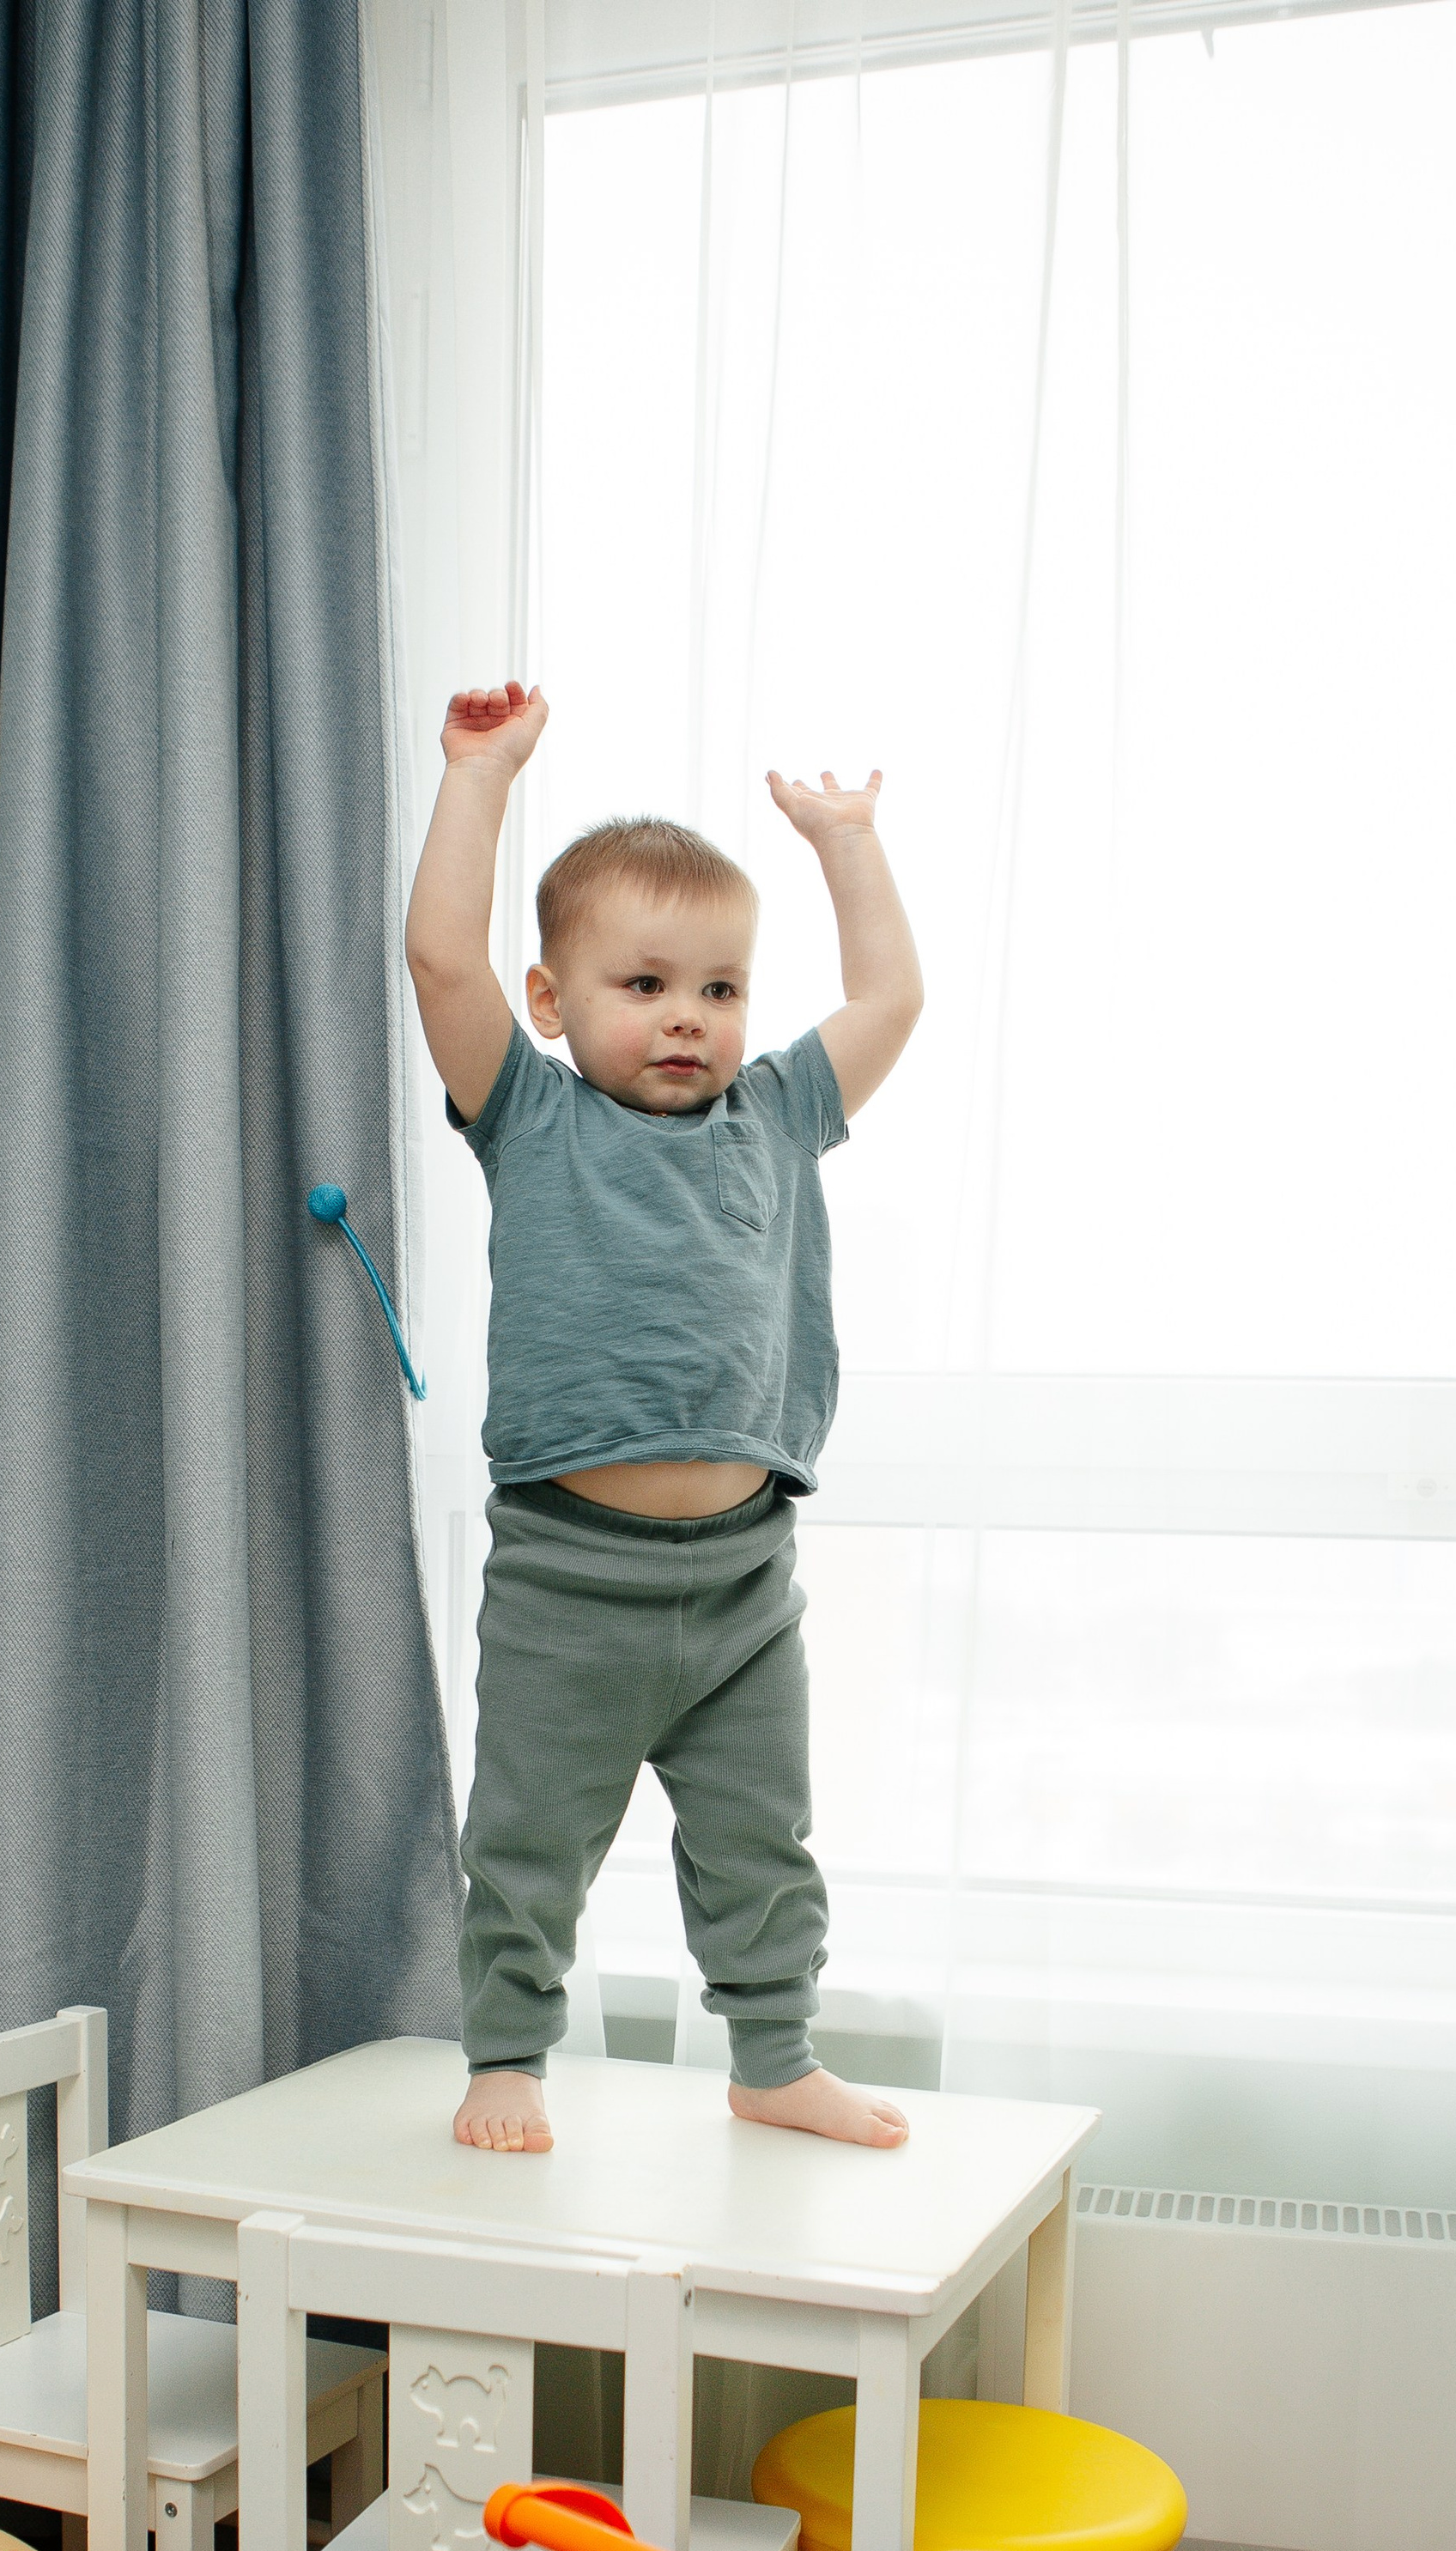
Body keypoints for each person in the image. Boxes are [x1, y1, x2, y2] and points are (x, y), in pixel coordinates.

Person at [407, 679, 923, 2155]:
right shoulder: (534, 1115)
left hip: (746, 1578)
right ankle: (505, 2056)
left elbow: (891, 1003)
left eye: (720, 988)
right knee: (529, 1840)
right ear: (556, 1004)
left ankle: (773, 2056)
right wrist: (482, 778)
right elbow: (440, 957)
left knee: (763, 1838)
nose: (690, 1019)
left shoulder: (778, 1114)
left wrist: (845, 848)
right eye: (646, 987)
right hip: (574, 1582)